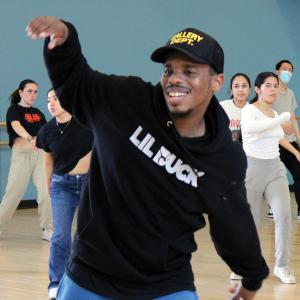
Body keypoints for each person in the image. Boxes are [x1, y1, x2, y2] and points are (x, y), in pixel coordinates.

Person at [27, 16, 269, 300]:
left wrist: (251, 277)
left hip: (165, 286)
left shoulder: (223, 158)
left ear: (216, 82)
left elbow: (232, 221)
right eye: (169, 70)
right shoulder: (126, 101)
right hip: (90, 276)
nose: (175, 78)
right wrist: (65, 38)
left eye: (190, 71)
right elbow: (76, 82)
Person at [241, 72, 299, 284]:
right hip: (252, 169)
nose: (273, 89)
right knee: (252, 222)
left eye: (276, 86)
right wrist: (281, 120)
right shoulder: (249, 111)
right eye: (268, 85)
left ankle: (282, 266)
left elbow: (278, 135)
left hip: (275, 168)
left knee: (283, 214)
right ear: (257, 89)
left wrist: (295, 151)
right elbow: (249, 129)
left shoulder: (274, 113)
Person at [36, 88, 93, 299]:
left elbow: (104, 147)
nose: (51, 103)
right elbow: (48, 159)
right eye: (48, 100)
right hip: (62, 185)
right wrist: (48, 183)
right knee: (60, 235)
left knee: (89, 233)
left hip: (91, 183)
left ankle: (90, 281)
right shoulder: (46, 131)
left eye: (56, 98)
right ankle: (56, 282)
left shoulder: (87, 123)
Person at [0, 79, 52, 241]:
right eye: (29, 91)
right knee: (13, 194)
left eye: (36, 91)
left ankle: (48, 229)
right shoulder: (14, 110)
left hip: (40, 156)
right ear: (21, 92)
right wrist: (29, 138)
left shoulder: (38, 113)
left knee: (46, 193)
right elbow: (16, 126)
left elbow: (46, 132)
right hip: (21, 156)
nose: (33, 94)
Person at [272, 60, 300, 219]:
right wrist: (281, 127)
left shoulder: (290, 93)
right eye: (284, 69)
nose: (288, 72)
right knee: (275, 175)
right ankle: (272, 207)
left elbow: (292, 119)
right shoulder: (271, 93)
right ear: (277, 71)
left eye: (290, 70)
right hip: (274, 142)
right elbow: (266, 116)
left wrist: (298, 139)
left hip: (290, 141)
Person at [220, 73, 251, 142]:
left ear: (249, 90)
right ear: (231, 90)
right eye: (236, 86)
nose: (240, 90)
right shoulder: (222, 107)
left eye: (244, 86)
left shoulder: (253, 110)